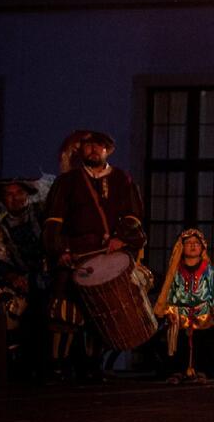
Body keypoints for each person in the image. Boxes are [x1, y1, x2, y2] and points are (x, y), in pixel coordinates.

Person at [44, 130, 146, 381]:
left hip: (108, 255)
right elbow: (53, 221)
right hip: (75, 254)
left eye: (98, 146)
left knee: (101, 311)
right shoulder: (67, 182)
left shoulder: (123, 179)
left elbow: (133, 216)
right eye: (88, 146)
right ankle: (58, 366)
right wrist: (60, 250)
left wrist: (121, 238)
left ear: (107, 150)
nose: (93, 150)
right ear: (81, 150)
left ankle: (92, 365)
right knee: (65, 312)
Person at [0, 177, 51, 380]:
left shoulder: (43, 216)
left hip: (51, 275)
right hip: (22, 280)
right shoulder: (0, 228)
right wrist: (14, 277)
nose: (15, 198)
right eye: (9, 194)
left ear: (27, 195)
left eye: (19, 193)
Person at [154, 228, 214, 384]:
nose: (193, 246)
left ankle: (201, 371)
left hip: (203, 312)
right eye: (189, 243)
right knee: (178, 343)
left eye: (197, 243)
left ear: (202, 247)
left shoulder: (208, 269)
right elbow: (170, 290)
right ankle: (177, 371)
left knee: (202, 343)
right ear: (181, 247)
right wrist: (169, 310)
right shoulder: (176, 269)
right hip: (180, 312)